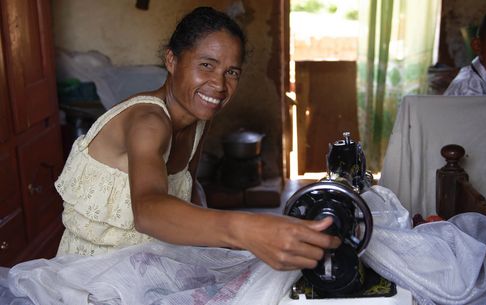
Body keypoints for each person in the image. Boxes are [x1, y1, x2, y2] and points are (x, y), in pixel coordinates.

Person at [54, 6, 340, 271]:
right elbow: (148, 211)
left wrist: (213, 248)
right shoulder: (148, 122)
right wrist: (246, 228)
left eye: (231, 72)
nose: (218, 84)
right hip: (93, 277)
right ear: (171, 60)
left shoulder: (197, 119)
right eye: (206, 65)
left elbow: (188, 190)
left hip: (148, 266)